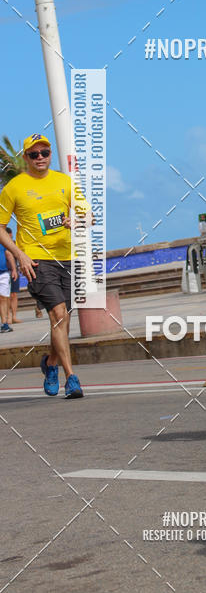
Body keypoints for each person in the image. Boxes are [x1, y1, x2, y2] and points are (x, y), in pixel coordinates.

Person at [0, 134, 85, 399]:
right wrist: (19, 255)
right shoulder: (14, 187)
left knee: (63, 319)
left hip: (67, 257)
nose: (40, 158)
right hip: (36, 259)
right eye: (34, 154)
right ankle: (71, 378)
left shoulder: (65, 181)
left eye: (44, 153)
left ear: (50, 155)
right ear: (26, 157)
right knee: (58, 313)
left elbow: (87, 213)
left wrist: (78, 220)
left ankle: (50, 363)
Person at [5, 227, 22, 324]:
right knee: (5, 295)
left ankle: (14, 316)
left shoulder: (15, 244)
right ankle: (8, 316)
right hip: (4, 271)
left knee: (14, 294)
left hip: (13, 271)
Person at [0, 237, 16, 333]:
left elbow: (8, 254)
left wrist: (14, 269)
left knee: (3, 298)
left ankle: (4, 323)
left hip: (3, 273)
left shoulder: (2, 239)